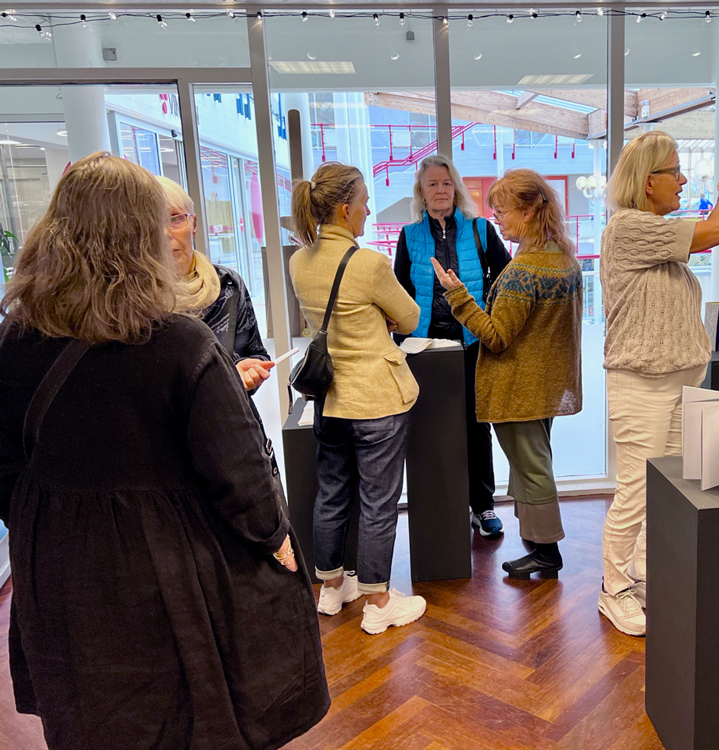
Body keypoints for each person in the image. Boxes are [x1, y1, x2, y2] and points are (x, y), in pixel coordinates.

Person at [0, 152, 329, 749]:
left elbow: (4, 466)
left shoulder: (17, 336)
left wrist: (47, 523)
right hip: (167, 566)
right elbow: (238, 474)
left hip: (58, 568)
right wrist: (275, 538)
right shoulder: (178, 342)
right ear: (140, 235)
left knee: (88, 714)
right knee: (182, 713)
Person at [599, 130, 719, 636]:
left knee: (663, 488)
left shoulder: (654, 233)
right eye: (676, 172)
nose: (683, 181)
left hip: (678, 383)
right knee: (636, 490)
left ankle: (644, 577)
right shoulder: (629, 227)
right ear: (648, 182)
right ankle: (613, 589)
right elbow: (718, 230)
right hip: (642, 385)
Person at [289, 161, 427, 634]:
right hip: (375, 401)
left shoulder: (299, 261)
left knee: (331, 494)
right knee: (378, 503)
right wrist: (380, 316)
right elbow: (410, 318)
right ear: (345, 210)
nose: (369, 211)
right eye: (365, 203)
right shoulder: (368, 263)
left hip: (329, 400)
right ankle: (379, 603)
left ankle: (332, 588)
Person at [432, 168, 582, 579]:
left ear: (528, 212)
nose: (496, 219)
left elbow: (496, 337)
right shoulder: (563, 259)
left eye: (501, 212)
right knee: (533, 462)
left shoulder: (522, 272)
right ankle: (535, 538)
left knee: (531, 468)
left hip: (519, 389)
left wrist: (458, 296)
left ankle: (546, 552)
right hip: (545, 386)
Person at [394, 155, 512, 539]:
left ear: (456, 189)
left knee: (477, 426)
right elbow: (400, 291)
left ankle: (483, 505)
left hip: (472, 344)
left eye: (446, 183)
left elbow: (507, 279)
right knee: (431, 428)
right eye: (432, 184)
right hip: (426, 349)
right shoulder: (409, 236)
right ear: (421, 191)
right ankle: (443, 506)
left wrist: (492, 318)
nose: (440, 190)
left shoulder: (480, 230)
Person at [157, 176, 274, 393]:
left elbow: (255, 352)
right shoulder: (136, 297)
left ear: (194, 225)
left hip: (227, 411)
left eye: (175, 219)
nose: (165, 233)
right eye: (153, 223)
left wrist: (246, 372)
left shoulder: (228, 285)